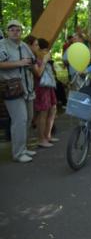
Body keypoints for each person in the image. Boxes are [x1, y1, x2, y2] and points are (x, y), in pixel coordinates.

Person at [0, 20, 37, 163]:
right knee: (19, 120)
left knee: (28, 118)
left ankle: (23, 147)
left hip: (27, 88)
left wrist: (31, 63)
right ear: (7, 31)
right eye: (12, 29)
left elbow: (32, 61)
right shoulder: (2, 45)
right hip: (12, 88)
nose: (15, 32)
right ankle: (18, 153)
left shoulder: (24, 46)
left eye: (18, 29)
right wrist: (19, 63)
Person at [31, 37, 58, 148]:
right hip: (41, 87)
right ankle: (41, 139)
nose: (40, 48)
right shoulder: (32, 59)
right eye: (36, 45)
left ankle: (48, 135)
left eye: (39, 45)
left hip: (49, 86)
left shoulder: (41, 56)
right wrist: (45, 60)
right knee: (43, 112)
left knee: (53, 109)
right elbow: (38, 73)